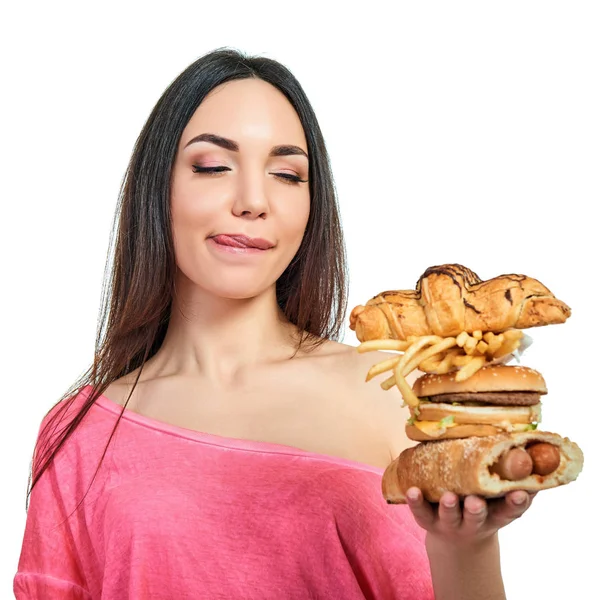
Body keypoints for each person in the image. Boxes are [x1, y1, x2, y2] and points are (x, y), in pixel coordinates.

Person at [14, 48, 535, 600]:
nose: (254, 201)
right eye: (213, 166)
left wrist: (469, 545)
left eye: (287, 174)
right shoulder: (82, 433)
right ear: (157, 187)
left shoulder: (396, 391)